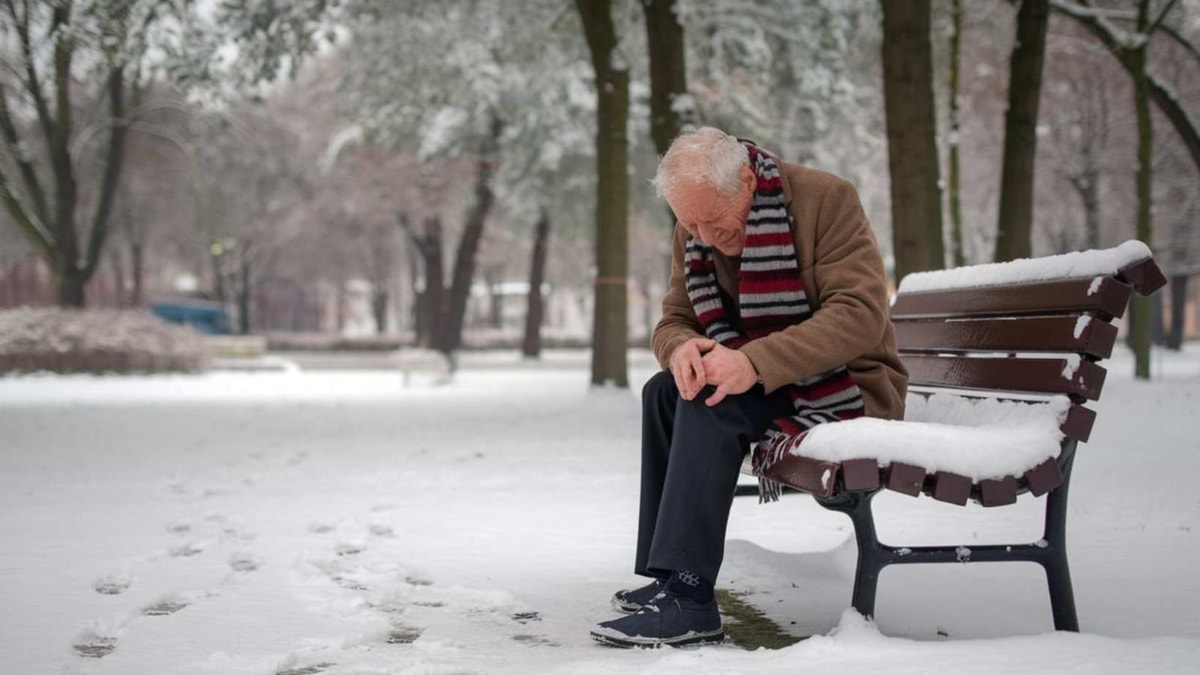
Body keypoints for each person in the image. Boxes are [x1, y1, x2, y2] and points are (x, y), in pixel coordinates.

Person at [590, 127, 908, 649]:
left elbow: (859, 315)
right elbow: (674, 319)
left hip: (845, 384)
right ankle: (669, 577)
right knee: (666, 390)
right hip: (764, 381)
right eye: (690, 224)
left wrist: (752, 363)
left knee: (715, 399)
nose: (704, 236)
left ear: (746, 180)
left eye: (713, 221)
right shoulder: (695, 225)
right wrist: (681, 349)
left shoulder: (826, 199)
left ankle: (691, 598)